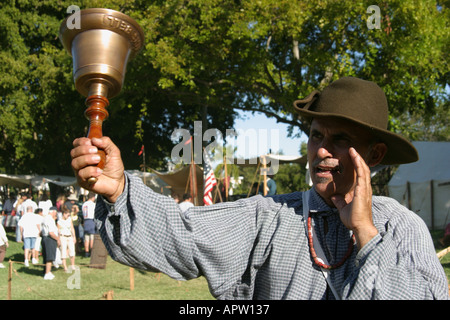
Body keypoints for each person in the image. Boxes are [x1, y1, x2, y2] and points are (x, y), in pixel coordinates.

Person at [70, 77, 449, 300]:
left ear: (375, 152)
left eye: (340, 139)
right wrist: (118, 188)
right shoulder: (269, 217)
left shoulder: (403, 228)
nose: (321, 150)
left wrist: (365, 232)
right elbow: (183, 235)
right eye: (316, 135)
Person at [41, 207, 60, 280]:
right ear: (53, 212)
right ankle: (47, 273)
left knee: (46, 256)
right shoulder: (50, 219)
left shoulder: (45, 218)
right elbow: (51, 233)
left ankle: (46, 271)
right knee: (50, 256)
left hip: (45, 238)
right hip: (50, 239)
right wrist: (58, 239)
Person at [58, 206, 76, 272]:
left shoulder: (69, 219)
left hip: (69, 236)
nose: (68, 216)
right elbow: (58, 230)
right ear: (63, 214)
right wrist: (59, 239)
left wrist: (74, 237)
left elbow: (72, 228)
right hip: (63, 237)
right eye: (67, 214)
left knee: (72, 251)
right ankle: (65, 267)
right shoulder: (59, 221)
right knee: (63, 251)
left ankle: (72, 265)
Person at [81, 192, 96, 258]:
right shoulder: (92, 204)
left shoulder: (84, 204)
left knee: (86, 238)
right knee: (92, 237)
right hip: (91, 220)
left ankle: (86, 252)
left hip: (85, 220)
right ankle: (92, 251)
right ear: (93, 197)